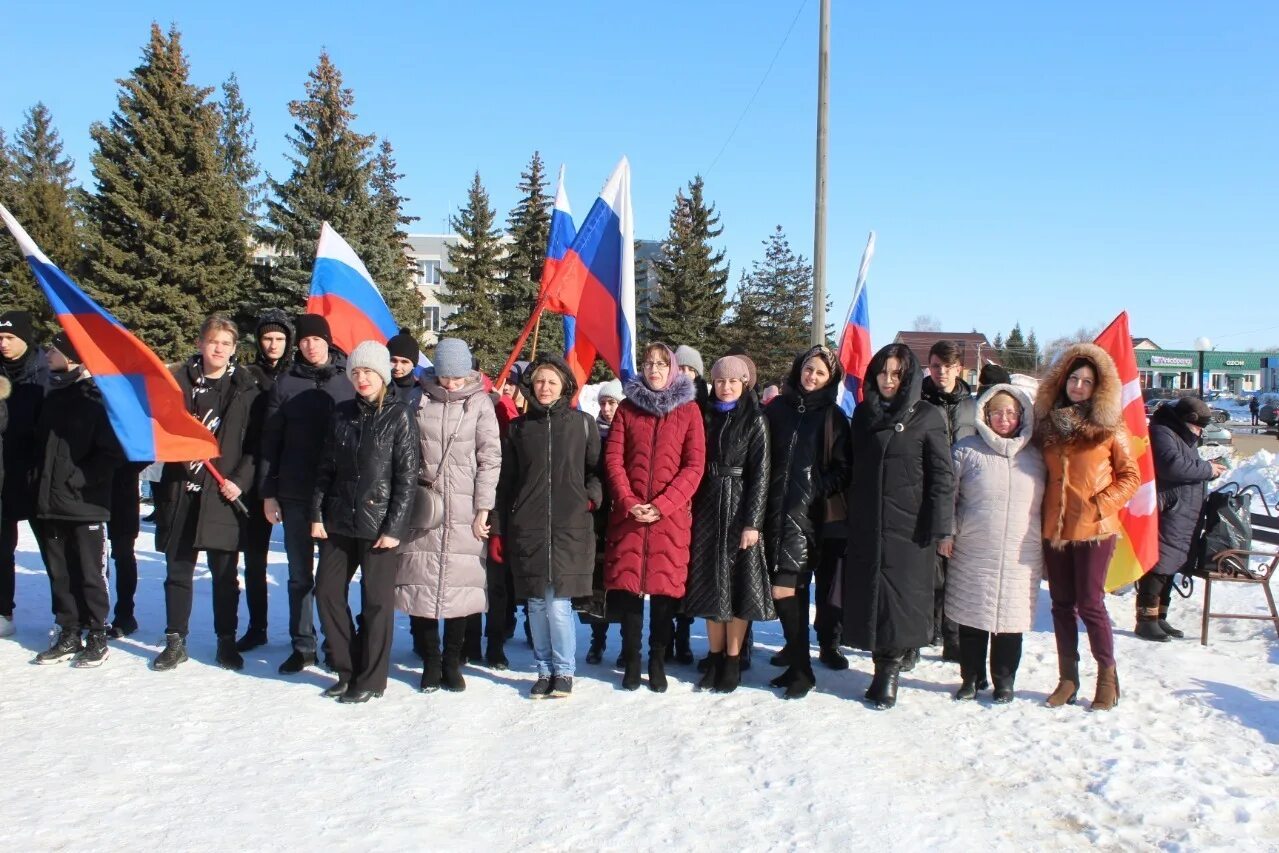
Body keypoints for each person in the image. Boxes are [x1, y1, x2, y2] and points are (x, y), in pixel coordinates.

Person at [842, 343, 954, 710]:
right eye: (882, 372)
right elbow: (852, 467)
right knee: (872, 597)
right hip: (867, 522)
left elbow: (942, 476)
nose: (888, 380)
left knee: (900, 600)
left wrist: (941, 528)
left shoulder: (927, 415)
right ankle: (883, 658)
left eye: (896, 374)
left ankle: (887, 673)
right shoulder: (863, 414)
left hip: (911, 527)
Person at [311, 341, 419, 703]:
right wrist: (316, 514)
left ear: (383, 375)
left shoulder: (399, 414)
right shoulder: (341, 413)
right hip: (339, 520)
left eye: (369, 371)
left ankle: (371, 679)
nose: (362, 378)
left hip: (379, 526)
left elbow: (407, 477)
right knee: (326, 591)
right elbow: (324, 469)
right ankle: (346, 669)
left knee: (376, 603)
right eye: (356, 372)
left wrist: (394, 528)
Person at [1035, 343, 1140, 711]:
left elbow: (1130, 476)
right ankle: (1067, 678)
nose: (1078, 386)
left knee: (1090, 604)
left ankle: (1107, 678)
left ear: (1099, 388)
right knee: (1061, 605)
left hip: (1095, 528)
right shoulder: (1047, 426)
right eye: (1073, 379)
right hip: (1055, 528)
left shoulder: (1110, 427)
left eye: (1087, 381)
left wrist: (1099, 505)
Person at [151, 316, 260, 671]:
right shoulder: (175, 382)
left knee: (225, 575)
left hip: (222, 493)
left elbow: (255, 445)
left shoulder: (245, 388)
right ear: (200, 343)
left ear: (234, 349)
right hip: (181, 489)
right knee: (178, 571)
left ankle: (226, 641)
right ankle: (175, 640)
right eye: (213, 341)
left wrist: (240, 481)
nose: (219, 349)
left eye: (226, 344)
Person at [396, 338, 501, 693]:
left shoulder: (480, 403)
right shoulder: (417, 398)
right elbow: (404, 450)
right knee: (420, 584)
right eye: (445, 377)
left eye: (457, 377)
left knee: (460, 588)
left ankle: (453, 661)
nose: (451, 384)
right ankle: (430, 661)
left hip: (465, 506)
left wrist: (483, 508)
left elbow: (490, 459)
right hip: (425, 505)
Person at [494, 356, 601, 698]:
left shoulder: (582, 424)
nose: (544, 387)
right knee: (536, 605)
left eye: (552, 382)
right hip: (529, 526)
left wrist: (591, 497)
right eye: (539, 381)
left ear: (565, 386)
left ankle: (564, 671)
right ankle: (543, 670)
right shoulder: (519, 429)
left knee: (558, 604)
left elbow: (597, 471)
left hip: (570, 527)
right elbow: (506, 481)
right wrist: (499, 524)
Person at [604, 342, 705, 692]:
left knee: (664, 597)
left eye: (662, 364)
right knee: (631, 592)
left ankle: (657, 660)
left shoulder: (689, 412)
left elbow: (694, 466)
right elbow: (614, 459)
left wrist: (664, 505)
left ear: (673, 369)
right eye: (649, 364)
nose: (655, 370)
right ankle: (631, 660)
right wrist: (629, 501)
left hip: (670, 519)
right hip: (630, 516)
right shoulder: (627, 410)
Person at [258, 313, 354, 674]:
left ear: (328, 342)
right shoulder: (286, 383)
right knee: (299, 575)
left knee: (333, 578)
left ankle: (335, 643)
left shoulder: (347, 380)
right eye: (304, 340)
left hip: (337, 495)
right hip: (295, 493)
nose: (311, 346)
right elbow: (270, 441)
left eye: (317, 339)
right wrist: (269, 493)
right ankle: (303, 644)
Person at [942, 384, 1044, 703]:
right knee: (973, 619)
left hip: (1021, 553)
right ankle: (971, 677)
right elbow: (947, 496)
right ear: (985, 414)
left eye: (1011, 413)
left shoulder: (1037, 457)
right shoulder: (966, 450)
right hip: (974, 549)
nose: (1004, 418)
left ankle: (1004, 681)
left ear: (1021, 416)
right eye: (997, 412)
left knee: (1010, 623)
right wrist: (947, 532)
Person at [763, 345, 852, 699]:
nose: (811, 377)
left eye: (819, 373)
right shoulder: (778, 409)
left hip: (808, 518)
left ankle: (802, 669)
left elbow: (844, 469)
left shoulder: (833, 416)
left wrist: (814, 489)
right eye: (808, 369)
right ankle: (796, 661)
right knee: (792, 592)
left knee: (785, 589)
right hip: (772, 513)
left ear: (830, 380)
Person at [31, 333, 122, 667]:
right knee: (60, 572)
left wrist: (79, 480)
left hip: (85, 502)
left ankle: (97, 633)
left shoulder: (96, 397)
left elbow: (111, 452)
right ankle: (69, 629)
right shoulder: (53, 396)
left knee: (89, 572)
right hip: (49, 502)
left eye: (54, 349)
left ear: (71, 356)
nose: (48, 353)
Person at [685, 355, 772, 693]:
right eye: (720, 381)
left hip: (739, 509)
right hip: (707, 508)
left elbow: (761, 476)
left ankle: (734, 660)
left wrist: (752, 523)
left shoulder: (756, 420)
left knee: (738, 589)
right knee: (710, 586)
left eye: (733, 381)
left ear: (744, 383)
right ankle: (716, 656)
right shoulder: (703, 415)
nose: (726, 387)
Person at [1136, 396, 1226, 642]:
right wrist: (1207, 469)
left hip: (1182, 511)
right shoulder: (1163, 432)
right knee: (1159, 564)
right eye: (1197, 427)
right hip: (1170, 509)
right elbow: (1172, 466)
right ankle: (1146, 620)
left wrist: (1209, 470)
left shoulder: (1181, 435)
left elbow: (1187, 464)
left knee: (1170, 563)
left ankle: (1160, 617)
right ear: (1187, 420)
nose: (1199, 433)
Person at [237, 309, 294, 652]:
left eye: (279, 338)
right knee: (254, 559)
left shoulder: (298, 376)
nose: (272, 344)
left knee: (300, 564)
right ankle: (257, 626)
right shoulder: (246, 377)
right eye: (267, 338)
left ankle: (304, 632)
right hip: (255, 476)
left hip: (293, 476)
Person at [921, 339, 978, 663]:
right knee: (929, 572)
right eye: (936, 366)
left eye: (948, 366)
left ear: (960, 368)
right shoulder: (918, 401)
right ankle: (926, 629)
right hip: (926, 494)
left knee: (957, 573)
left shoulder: (973, 405)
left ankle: (952, 635)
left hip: (963, 496)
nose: (942, 372)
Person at [0, 309, 47, 637]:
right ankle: (4, 612)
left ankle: (69, 619)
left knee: (54, 551)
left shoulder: (44, 371)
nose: (3, 343)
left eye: (9, 337)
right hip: (2, 475)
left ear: (25, 338)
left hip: (37, 475)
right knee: (2, 548)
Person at [671, 343, 708, 664]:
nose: (684, 374)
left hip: (704, 501)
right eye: (679, 368)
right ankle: (670, 637)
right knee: (671, 572)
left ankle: (684, 635)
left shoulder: (709, 406)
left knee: (690, 574)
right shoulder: (665, 404)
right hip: (673, 501)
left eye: (690, 370)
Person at [584, 378, 624, 666]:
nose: (607, 408)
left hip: (623, 513)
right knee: (598, 580)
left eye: (613, 402)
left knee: (623, 582)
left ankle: (626, 643)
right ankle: (597, 640)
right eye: (603, 403)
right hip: (598, 516)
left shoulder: (631, 433)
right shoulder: (592, 433)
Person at [106, 462, 147, 638]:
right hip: (87, 491)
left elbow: (147, 453)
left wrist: (122, 466)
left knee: (123, 554)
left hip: (121, 492)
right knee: (87, 556)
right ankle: (88, 614)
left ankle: (125, 616)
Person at [387, 327, 424, 411]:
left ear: (413, 364)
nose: (397, 367)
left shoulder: (422, 392)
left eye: (404, 362)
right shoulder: (376, 387)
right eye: (393, 360)